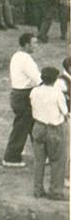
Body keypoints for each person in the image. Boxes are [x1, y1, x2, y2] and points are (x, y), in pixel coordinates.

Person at [30, 67, 68, 200]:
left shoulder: (35, 91)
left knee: (39, 160)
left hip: (38, 126)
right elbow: (64, 111)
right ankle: (55, 192)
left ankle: (38, 190)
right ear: (55, 79)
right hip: (54, 128)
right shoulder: (57, 93)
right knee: (57, 160)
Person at [3, 33, 40, 168]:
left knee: (32, 125)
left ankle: (41, 154)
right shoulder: (26, 60)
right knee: (22, 127)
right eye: (34, 43)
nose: (36, 46)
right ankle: (11, 157)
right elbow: (38, 79)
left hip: (19, 94)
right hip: (24, 96)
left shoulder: (17, 56)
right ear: (26, 44)